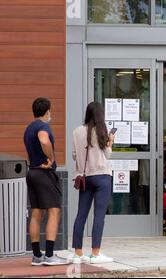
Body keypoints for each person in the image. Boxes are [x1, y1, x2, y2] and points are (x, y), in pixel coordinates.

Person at [69, 102, 115, 264]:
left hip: (85, 177)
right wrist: (110, 142)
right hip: (102, 176)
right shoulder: (103, 130)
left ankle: (78, 253)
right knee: (99, 215)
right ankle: (95, 253)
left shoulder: (76, 131)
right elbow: (107, 155)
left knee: (81, 214)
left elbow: (74, 155)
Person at [24, 97, 66, 266]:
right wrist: (51, 157)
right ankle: (49, 255)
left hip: (32, 172)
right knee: (54, 211)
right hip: (43, 173)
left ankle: (36, 255)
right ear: (47, 111)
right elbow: (43, 140)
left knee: (36, 213)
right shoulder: (43, 126)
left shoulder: (28, 128)